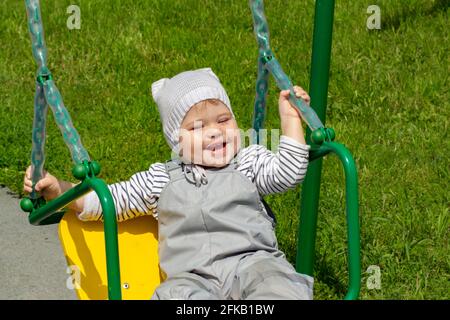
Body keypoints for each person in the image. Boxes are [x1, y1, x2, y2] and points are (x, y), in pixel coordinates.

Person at [23, 68, 314, 300]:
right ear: (176, 140)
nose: (215, 132)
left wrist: (290, 121)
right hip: (192, 277)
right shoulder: (161, 179)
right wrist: (57, 189)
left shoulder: (247, 162)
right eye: (198, 127)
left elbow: (288, 172)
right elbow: (108, 202)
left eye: (224, 120)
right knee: (174, 295)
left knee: (278, 283)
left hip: (252, 261)